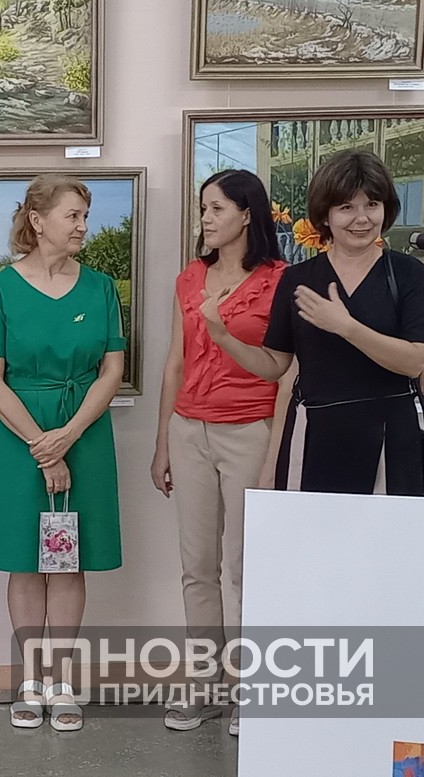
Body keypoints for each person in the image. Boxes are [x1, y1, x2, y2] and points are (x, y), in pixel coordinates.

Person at [0, 174, 126, 731]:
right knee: (26, 560)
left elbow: (112, 371)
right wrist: (44, 446)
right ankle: (30, 680)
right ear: (37, 221)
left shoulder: (101, 288)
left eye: (85, 216)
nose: (83, 226)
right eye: (72, 216)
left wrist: (69, 435)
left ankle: (61, 682)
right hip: (17, 440)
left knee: (69, 560)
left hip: (84, 434)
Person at [203, 150, 424, 495]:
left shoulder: (406, 272)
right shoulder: (298, 278)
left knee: (383, 531)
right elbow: (274, 365)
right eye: (346, 207)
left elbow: (414, 361)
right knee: (311, 530)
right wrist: (223, 336)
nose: (362, 218)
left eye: (372, 205)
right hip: (313, 434)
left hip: (390, 435)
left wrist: (346, 327)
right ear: (325, 215)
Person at [149, 169, 287, 737]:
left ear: (247, 214)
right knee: (197, 566)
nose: (205, 218)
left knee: (246, 566)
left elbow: (285, 370)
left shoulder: (279, 280)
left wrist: (276, 450)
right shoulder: (189, 278)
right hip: (189, 431)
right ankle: (205, 686)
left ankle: (252, 692)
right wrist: (163, 442)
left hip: (249, 430)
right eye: (203, 208)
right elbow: (175, 363)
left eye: (216, 208)